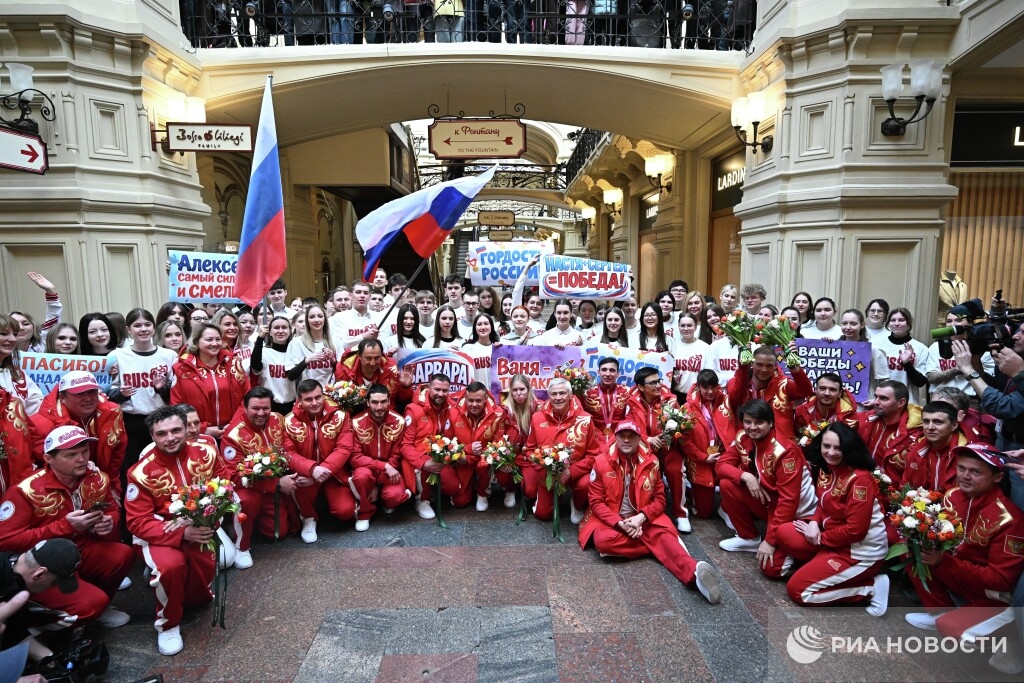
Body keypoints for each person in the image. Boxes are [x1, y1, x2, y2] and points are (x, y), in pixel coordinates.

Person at [0, 426, 133, 628]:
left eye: (85, 451)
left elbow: (113, 509)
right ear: (48, 459)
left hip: (80, 550)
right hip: (41, 567)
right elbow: (5, 541)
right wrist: (64, 526)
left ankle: (97, 605)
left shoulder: (95, 477)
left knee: (122, 555)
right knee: (90, 605)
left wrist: (109, 521)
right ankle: (33, 624)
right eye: (71, 454)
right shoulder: (24, 491)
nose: (81, 459)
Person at [903, 444, 1024, 664]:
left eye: (976, 472)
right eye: (961, 468)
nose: (965, 476)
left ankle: (1013, 639)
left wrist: (943, 562)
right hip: (961, 579)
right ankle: (942, 610)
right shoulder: (953, 496)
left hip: (992, 597)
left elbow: (1001, 580)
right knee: (912, 551)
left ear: (997, 477)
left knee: (953, 629)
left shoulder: (1009, 519)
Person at [578, 419, 722, 603]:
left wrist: (640, 518)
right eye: (623, 436)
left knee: (661, 535)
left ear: (640, 439)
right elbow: (596, 502)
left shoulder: (652, 462)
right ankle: (662, 547)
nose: (627, 441)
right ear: (615, 439)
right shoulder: (600, 462)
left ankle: (695, 573)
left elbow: (660, 500)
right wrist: (620, 523)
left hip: (644, 519)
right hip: (613, 519)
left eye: (632, 436)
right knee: (603, 541)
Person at [126, 406, 230, 656]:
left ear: (187, 429)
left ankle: (175, 589)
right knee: (171, 568)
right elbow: (137, 522)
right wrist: (181, 533)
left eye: (175, 430)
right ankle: (168, 625)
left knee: (201, 588)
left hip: (200, 528)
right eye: (161, 433)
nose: (170, 437)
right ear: (152, 436)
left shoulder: (207, 453)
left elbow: (224, 484)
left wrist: (210, 519)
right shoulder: (140, 472)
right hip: (158, 535)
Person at [780, 423, 890, 615]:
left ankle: (870, 587)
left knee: (798, 591)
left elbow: (856, 530)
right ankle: (819, 568)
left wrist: (821, 538)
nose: (830, 452)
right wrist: (814, 522)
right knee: (785, 532)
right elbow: (823, 503)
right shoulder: (829, 468)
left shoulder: (860, 480)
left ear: (849, 449)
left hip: (858, 553)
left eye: (838, 448)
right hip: (833, 539)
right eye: (826, 446)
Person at [716, 399, 818, 579]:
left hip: (798, 517)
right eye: (748, 422)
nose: (752, 427)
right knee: (728, 484)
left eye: (759, 422)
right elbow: (721, 465)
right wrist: (746, 477)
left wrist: (770, 542)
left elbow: (789, 501)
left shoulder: (785, 452)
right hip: (771, 503)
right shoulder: (745, 438)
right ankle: (749, 539)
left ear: (770, 423)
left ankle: (808, 558)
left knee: (772, 569)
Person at [222, 387, 302, 568]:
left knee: (278, 533)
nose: (261, 413)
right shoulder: (233, 435)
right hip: (250, 489)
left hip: (276, 485)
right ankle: (241, 545)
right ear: (245, 407)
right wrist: (277, 484)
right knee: (248, 501)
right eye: (255, 408)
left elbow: (287, 446)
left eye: (265, 408)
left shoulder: (277, 419)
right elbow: (233, 475)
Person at [953, 325, 1024, 510]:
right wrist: (975, 357)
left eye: (1023, 333)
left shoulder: (1018, 366)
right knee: (996, 500)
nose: (1015, 336)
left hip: (1021, 448)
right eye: (1017, 330)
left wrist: (967, 369)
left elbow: (1003, 406)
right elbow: (992, 388)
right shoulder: (1016, 361)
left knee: (1018, 507)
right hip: (1004, 440)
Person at [106, 308, 177, 491]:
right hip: (131, 422)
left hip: (162, 420)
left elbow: (176, 394)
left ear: (154, 328)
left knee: (164, 469)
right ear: (129, 329)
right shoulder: (117, 356)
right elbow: (106, 395)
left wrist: (162, 389)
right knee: (133, 471)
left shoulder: (169, 355)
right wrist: (121, 394)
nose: (143, 329)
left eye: (147, 324)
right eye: (137, 325)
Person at [30, 371, 127, 498]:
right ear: (62, 397)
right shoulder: (39, 424)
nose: (88, 399)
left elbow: (116, 457)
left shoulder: (112, 413)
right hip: (58, 493)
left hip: (101, 483)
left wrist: (112, 487)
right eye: (79, 394)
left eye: (92, 392)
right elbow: (43, 467)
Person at [283, 380, 359, 538]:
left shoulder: (341, 415)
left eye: (318, 397)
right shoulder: (288, 421)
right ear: (299, 401)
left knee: (345, 511)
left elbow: (344, 449)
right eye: (308, 399)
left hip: (334, 474)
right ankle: (309, 518)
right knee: (299, 481)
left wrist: (320, 473)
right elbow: (288, 453)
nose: (314, 403)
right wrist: (312, 469)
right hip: (306, 475)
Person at [523, 377, 601, 524]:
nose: (558, 398)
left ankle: (577, 504)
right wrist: (544, 468)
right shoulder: (537, 418)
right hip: (548, 473)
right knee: (543, 515)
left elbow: (593, 454)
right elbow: (530, 450)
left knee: (586, 483)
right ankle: (546, 496)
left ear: (570, 395)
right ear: (549, 396)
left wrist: (571, 472)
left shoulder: (585, 419)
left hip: (576, 472)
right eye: (554, 394)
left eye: (562, 393)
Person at [624, 366, 689, 531]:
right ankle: (642, 510)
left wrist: (666, 436)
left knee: (676, 470)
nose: (658, 385)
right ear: (640, 387)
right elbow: (630, 427)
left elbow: (679, 424)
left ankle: (681, 514)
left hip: (669, 448)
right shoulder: (631, 402)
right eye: (652, 383)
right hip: (644, 449)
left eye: (659, 380)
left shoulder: (670, 400)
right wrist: (648, 439)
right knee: (641, 470)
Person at [399, 373, 469, 519]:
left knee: (453, 487)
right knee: (420, 469)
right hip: (417, 458)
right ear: (429, 388)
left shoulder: (450, 409)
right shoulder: (413, 409)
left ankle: (432, 491)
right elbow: (405, 446)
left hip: (438, 456)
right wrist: (423, 463)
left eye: (445, 390)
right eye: (437, 389)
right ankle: (421, 500)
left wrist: (456, 454)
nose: (440, 394)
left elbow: (451, 438)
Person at [0, 538, 82, 654]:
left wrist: (48, 657)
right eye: (53, 583)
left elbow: (14, 632)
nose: (52, 588)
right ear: (39, 574)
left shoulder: (16, 579)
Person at [348, 384, 413, 529]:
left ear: (389, 401)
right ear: (367, 403)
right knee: (362, 477)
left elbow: (397, 455)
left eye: (383, 401)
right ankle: (365, 512)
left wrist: (379, 481)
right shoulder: (356, 422)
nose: (379, 407)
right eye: (374, 402)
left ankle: (387, 500)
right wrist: (383, 466)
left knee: (394, 497)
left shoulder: (399, 422)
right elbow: (355, 457)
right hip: (366, 468)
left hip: (390, 470)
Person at [170, 323, 249, 439]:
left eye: (218, 339)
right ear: (196, 342)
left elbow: (247, 397)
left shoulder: (234, 364)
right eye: (209, 339)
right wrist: (203, 429)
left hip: (234, 432)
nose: (215, 343)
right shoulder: (182, 369)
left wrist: (234, 425)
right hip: (197, 435)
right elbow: (176, 406)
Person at [726, 344, 813, 443]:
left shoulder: (784, 384)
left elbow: (806, 391)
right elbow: (734, 399)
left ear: (775, 366)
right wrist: (743, 367)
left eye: (769, 366)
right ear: (752, 363)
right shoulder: (738, 384)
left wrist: (794, 367)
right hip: (748, 446)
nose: (764, 370)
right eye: (759, 364)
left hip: (781, 447)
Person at [680, 370, 736, 518]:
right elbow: (683, 440)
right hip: (701, 461)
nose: (710, 392)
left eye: (713, 387)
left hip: (724, 458)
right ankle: (692, 494)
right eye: (706, 388)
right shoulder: (687, 408)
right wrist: (703, 457)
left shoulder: (728, 404)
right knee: (704, 513)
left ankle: (725, 507)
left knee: (734, 484)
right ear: (698, 387)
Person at [856, 379, 922, 484]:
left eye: (883, 398)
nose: (876, 402)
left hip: (894, 496)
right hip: (861, 486)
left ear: (901, 403)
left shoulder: (916, 434)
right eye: (876, 396)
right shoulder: (864, 419)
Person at [453, 382, 504, 512]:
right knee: (460, 502)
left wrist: (483, 454)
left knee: (483, 464)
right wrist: (465, 450)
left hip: (484, 459)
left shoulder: (498, 414)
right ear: (465, 397)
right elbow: (447, 441)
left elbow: (498, 443)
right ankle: (470, 486)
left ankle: (483, 493)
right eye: (470, 400)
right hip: (463, 459)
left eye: (478, 401)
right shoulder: (454, 412)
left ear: (486, 398)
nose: (474, 404)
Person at [872, 307, 934, 405]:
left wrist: (906, 363)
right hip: (879, 402)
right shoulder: (876, 344)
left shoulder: (920, 348)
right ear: (888, 324)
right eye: (893, 320)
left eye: (901, 320)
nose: (896, 323)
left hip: (908, 403)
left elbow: (920, 382)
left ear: (908, 324)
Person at [901, 401, 968, 491]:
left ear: (954, 425)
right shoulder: (914, 452)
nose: (930, 427)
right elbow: (905, 488)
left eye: (938, 422)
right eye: (926, 421)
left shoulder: (967, 453)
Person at [334, 339, 414, 410]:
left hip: (386, 416)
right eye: (368, 358)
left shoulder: (391, 367)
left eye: (377, 358)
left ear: (382, 356)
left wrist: (406, 387)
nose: (372, 363)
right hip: (356, 418)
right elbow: (342, 405)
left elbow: (402, 399)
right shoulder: (343, 370)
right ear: (359, 357)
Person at [496, 374, 536, 504]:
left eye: (522, 389)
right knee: (502, 473)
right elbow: (497, 437)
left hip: (529, 458)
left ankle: (524, 485)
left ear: (528, 389)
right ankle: (510, 489)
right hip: (512, 457)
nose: (518, 393)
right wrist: (503, 457)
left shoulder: (538, 408)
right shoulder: (503, 410)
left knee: (530, 493)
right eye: (515, 390)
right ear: (510, 391)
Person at [249, 315, 296, 415]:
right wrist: (260, 337)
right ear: (269, 332)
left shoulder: (295, 351)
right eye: (276, 328)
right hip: (269, 405)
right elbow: (255, 366)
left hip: (292, 404)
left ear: (290, 331)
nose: (280, 331)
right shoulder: (265, 352)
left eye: (284, 327)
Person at [285, 303, 337, 390]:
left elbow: (342, 373)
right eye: (312, 317)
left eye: (320, 316)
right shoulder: (296, 343)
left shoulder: (336, 341)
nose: (316, 320)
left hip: (331, 393)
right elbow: (291, 376)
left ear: (325, 319)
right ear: (307, 321)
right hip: (307, 394)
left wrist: (333, 361)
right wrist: (307, 360)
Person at [793, 373, 858, 442]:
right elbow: (797, 439)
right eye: (822, 388)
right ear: (815, 390)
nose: (827, 393)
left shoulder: (849, 416)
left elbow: (848, 445)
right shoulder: (801, 411)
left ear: (840, 393)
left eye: (832, 389)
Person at [581, 356, 630, 447]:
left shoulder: (627, 391)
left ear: (618, 374)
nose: (607, 374)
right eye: (604, 370)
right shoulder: (586, 392)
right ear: (598, 372)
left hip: (620, 438)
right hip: (593, 439)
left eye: (612, 370)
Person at [0, 315, 43, 415]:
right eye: (4, 334)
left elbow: (37, 406)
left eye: (15, 334)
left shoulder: (18, 374)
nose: (13, 339)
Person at [329, 281, 377, 353]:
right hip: (349, 361)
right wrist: (363, 337)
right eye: (358, 292)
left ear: (370, 297)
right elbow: (341, 345)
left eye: (365, 293)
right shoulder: (339, 318)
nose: (362, 295)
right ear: (351, 296)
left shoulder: (379, 317)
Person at [671, 313, 711, 399]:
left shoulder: (705, 348)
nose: (686, 329)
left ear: (695, 327)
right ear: (678, 327)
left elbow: (708, 373)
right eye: (682, 326)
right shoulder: (672, 346)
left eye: (689, 325)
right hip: (676, 394)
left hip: (697, 395)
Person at [460, 314, 498, 386]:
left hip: (496, 394)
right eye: (479, 324)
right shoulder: (467, 349)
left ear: (491, 326)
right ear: (475, 327)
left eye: (486, 324)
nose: (483, 327)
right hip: (475, 394)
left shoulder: (498, 348)